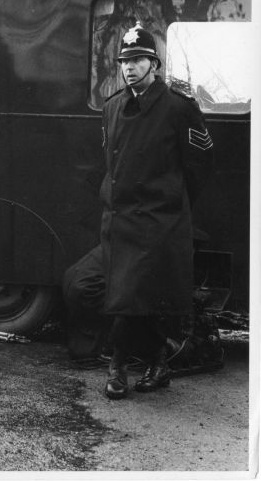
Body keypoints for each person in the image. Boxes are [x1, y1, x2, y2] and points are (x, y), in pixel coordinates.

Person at [99, 22, 214, 400]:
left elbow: (198, 170)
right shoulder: (113, 106)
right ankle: (158, 362)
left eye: (138, 60)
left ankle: (117, 369)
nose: (129, 68)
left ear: (155, 64)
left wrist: (169, 208)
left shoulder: (179, 109)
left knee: (129, 297)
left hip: (158, 224)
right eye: (124, 61)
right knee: (128, 297)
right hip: (119, 221)